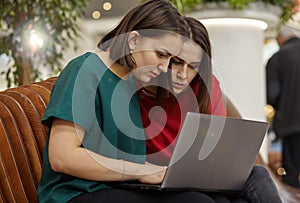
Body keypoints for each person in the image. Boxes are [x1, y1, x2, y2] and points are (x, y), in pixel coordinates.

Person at [37, 0, 219, 202]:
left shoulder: (131, 83)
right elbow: (62, 157)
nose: (164, 67)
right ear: (133, 41)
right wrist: (140, 171)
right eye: (160, 55)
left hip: (118, 188)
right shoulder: (85, 70)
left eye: (170, 59)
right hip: (76, 193)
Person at [136, 16, 282, 203]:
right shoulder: (143, 88)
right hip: (162, 180)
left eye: (193, 67)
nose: (183, 75)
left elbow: (217, 150)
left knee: (257, 174)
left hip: (204, 176)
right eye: (177, 63)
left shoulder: (206, 88)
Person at [266, 25, 300, 189]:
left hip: (291, 124)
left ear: (280, 39)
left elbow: (272, 94)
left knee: (291, 176)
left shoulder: (278, 58)